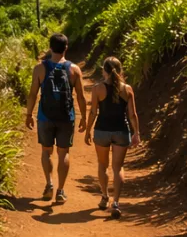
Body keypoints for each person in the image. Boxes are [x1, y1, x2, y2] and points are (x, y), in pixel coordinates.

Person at [25, 33, 87, 204]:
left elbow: (32, 94)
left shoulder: (39, 68)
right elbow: (81, 97)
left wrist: (29, 114)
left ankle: (49, 184)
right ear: (66, 47)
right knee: (63, 153)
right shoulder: (74, 70)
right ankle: (60, 191)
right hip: (66, 117)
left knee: (46, 151)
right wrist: (84, 118)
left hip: (45, 116)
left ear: (50, 47)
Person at [84, 57, 140, 218]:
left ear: (104, 70)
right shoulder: (127, 89)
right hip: (121, 131)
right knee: (118, 168)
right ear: (120, 70)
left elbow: (94, 112)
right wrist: (137, 132)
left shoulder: (97, 89)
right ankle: (116, 202)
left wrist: (88, 131)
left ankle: (104, 197)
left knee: (103, 165)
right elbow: (132, 114)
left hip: (102, 131)